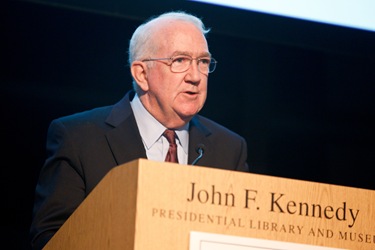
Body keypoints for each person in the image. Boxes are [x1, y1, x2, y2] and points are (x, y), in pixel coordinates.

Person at [29, 10, 249, 249]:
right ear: (142, 74)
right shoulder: (79, 137)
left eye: (203, 62)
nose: (195, 76)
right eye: (180, 61)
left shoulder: (229, 148)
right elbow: (50, 240)